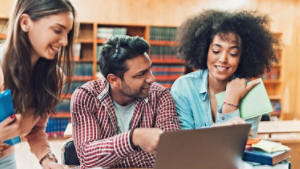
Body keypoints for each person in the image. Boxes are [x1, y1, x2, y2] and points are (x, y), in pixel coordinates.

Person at [71, 35, 180, 169]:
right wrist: (134, 138)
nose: (152, 79)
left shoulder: (161, 96)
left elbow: (171, 154)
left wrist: (107, 155)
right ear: (114, 79)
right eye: (140, 74)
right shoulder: (86, 96)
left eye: (149, 69)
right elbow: (87, 156)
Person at [171, 10, 280, 137]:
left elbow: (242, 148)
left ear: (242, 57)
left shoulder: (252, 93)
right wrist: (229, 107)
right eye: (216, 50)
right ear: (205, 51)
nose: (223, 59)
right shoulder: (184, 87)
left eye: (233, 53)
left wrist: (230, 105)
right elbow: (183, 142)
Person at [0, 0, 76, 168]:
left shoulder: (53, 77)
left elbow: (35, 129)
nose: (64, 41)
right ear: (26, 23)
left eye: (67, 33)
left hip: (6, 161)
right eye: (57, 30)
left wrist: (48, 160)